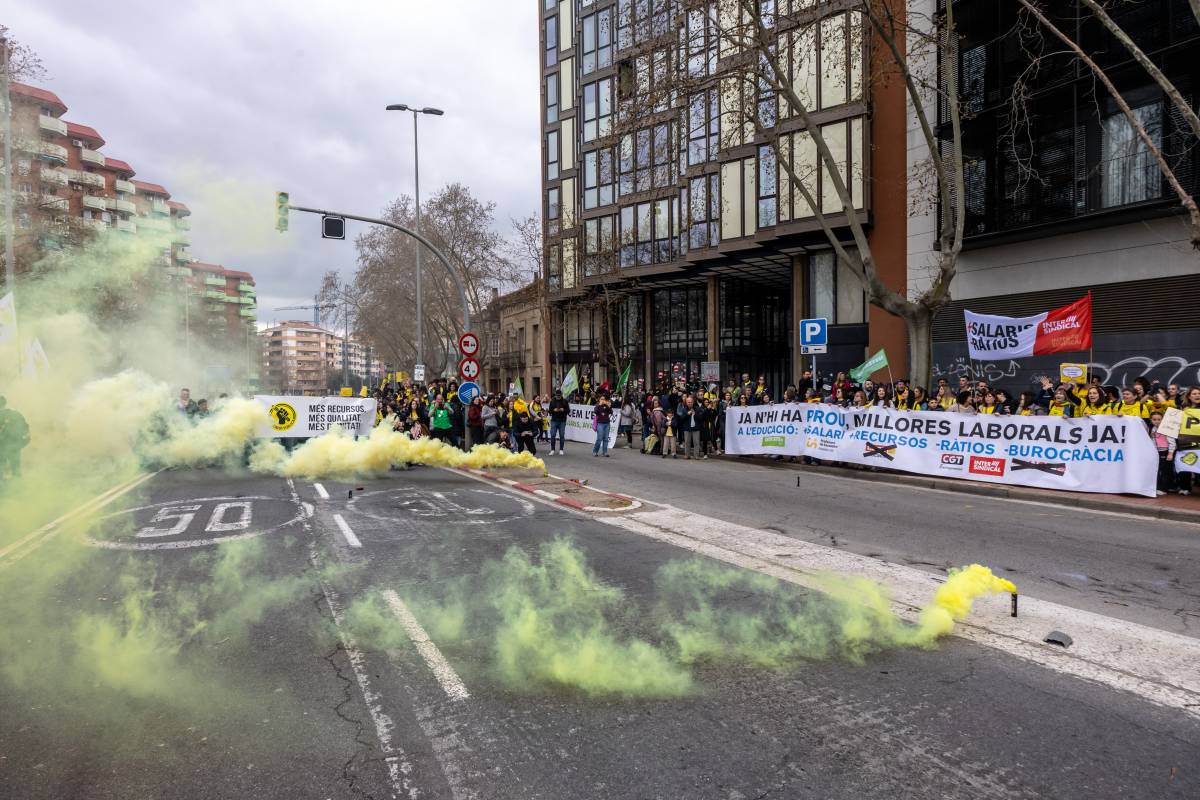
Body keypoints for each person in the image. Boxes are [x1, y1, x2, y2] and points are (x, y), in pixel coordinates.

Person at [0, 397, 30, 479]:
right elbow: (26, 431)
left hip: (2, 447)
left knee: (1, 470)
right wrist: (21, 444)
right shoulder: (16, 414)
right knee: (16, 469)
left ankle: (4, 488)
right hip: (15, 447)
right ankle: (17, 488)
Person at [1149, 411, 1176, 496]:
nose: (1156, 421)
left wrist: (1170, 453)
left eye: (1159, 419)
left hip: (1165, 451)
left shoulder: (1166, 429)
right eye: (1154, 419)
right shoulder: (1152, 429)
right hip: (1157, 452)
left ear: (1163, 420)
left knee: (1164, 471)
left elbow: (1172, 442)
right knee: (1159, 470)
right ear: (1151, 420)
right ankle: (1162, 487)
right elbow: (1153, 440)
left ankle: (1164, 489)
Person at [678, 395, 703, 459]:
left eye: (691, 402)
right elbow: (681, 419)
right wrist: (687, 414)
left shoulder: (697, 408)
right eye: (688, 402)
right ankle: (687, 455)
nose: (690, 403)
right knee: (687, 442)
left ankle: (696, 455)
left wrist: (695, 414)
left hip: (696, 428)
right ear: (686, 403)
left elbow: (701, 418)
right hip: (687, 428)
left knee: (696, 442)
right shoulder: (684, 410)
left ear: (693, 402)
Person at [548, 391, 569, 455]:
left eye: (559, 396)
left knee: (562, 435)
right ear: (555, 395)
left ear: (561, 395)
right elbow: (549, 411)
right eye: (557, 396)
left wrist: (563, 410)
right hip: (554, 420)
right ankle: (552, 449)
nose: (558, 397)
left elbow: (568, 410)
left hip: (562, 420)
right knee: (552, 435)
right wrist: (553, 410)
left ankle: (561, 449)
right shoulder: (552, 401)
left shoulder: (565, 401)